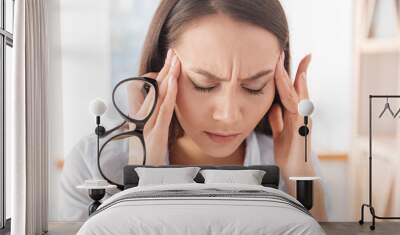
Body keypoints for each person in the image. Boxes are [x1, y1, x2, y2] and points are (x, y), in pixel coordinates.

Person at [58, 0, 326, 221]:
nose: (229, 115)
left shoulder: (292, 162)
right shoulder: (92, 165)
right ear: (161, 72)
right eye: (204, 84)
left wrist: (297, 178)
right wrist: (142, 175)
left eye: (255, 86)